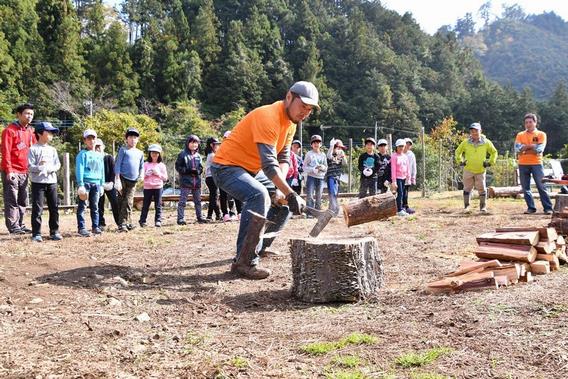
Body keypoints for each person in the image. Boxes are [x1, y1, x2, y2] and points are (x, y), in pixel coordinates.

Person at [210, 81, 316, 279]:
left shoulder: (291, 124)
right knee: (258, 195)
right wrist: (289, 192)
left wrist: (283, 191)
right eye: (303, 106)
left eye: (309, 110)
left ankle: (259, 248)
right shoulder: (268, 116)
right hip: (225, 167)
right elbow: (268, 164)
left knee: (283, 203)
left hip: (250, 169)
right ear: (289, 97)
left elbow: (283, 158)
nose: (305, 113)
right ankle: (244, 262)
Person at [1, 103, 37, 234]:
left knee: (23, 199)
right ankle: (13, 226)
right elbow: (6, 152)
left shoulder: (30, 131)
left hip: (25, 171)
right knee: (12, 199)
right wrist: (9, 170)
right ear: (19, 114)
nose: (29, 116)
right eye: (27, 113)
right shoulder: (9, 131)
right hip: (12, 171)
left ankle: (21, 224)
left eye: (31, 114)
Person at [28, 122, 61, 242]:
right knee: (37, 208)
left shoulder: (52, 149)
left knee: (54, 207)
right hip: (38, 182)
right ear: (40, 133)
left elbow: (58, 164)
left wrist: (50, 168)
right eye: (49, 132)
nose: (52, 134)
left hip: (52, 181)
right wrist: (39, 167)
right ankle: (36, 233)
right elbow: (30, 166)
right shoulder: (33, 149)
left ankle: (55, 231)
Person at [515, 113, 553, 214]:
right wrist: (531, 146)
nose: (528, 124)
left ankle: (548, 208)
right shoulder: (520, 135)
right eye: (526, 122)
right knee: (526, 188)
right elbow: (517, 150)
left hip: (537, 163)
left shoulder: (541, 134)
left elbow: (539, 150)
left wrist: (525, 148)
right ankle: (531, 208)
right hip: (522, 164)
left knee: (541, 186)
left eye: (530, 122)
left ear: (535, 123)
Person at [455, 123, 498, 214]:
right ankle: (466, 207)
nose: (474, 133)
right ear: (470, 132)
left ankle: (483, 207)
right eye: (472, 131)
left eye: (476, 131)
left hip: (480, 170)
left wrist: (490, 162)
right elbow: (458, 151)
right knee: (467, 188)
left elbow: (494, 152)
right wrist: (460, 161)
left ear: (480, 131)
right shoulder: (465, 142)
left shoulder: (486, 142)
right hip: (468, 169)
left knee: (482, 188)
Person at [114, 128, 144, 232]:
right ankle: (122, 224)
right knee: (122, 201)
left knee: (129, 201)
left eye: (135, 137)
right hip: (122, 178)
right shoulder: (123, 150)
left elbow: (141, 166)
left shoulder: (140, 153)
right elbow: (117, 164)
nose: (132, 139)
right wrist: (117, 178)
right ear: (126, 139)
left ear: (138, 139)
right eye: (130, 137)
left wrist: (141, 175)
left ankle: (127, 223)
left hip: (133, 181)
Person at [76, 129, 104, 237]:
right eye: (88, 138)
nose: (91, 141)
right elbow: (80, 169)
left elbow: (102, 171)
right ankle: (81, 227)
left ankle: (95, 226)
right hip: (86, 183)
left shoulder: (99, 155)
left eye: (93, 138)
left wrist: (102, 184)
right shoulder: (82, 154)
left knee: (95, 206)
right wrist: (80, 184)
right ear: (85, 140)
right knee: (82, 206)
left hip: (96, 184)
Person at [176, 134, 207, 224]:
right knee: (182, 201)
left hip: (196, 182)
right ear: (188, 143)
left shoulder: (198, 156)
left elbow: (201, 168)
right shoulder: (182, 154)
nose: (194, 145)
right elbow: (178, 167)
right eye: (192, 142)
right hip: (186, 181)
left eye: (196, 143)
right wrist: (188, 170)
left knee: (198, 201)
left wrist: (198, 171)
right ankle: (180, 219)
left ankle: (200, 217)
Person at [139, 144, 168, 227]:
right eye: (152, 152)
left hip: (158, 187)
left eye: (156, 153)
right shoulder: (145, 164)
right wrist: (146, 174)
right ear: (150, 153)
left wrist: (158, 173)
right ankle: (142, 221)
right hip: (147, 187)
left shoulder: (161, 165)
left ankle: (158, 220)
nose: (154, 154)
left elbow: (165, 178)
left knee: (158, 205)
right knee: (145, 205)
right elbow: (141, 177)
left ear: (159, 154)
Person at [95, 139, 120, 230]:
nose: (97, 148)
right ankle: (101, 224)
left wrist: (112, 182)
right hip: (98, 184)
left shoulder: (109, 157)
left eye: (99, 146)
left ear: (103, 146)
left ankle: (119, 222)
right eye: (96, 146)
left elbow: (113, 171)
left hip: (109, 184)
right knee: (99, 204)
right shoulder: (93, 158)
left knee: (115, 203)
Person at [219, 130, 242, 222]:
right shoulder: (220, 149)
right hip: (222, 174)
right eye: (226, 138)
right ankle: (225, 214)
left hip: (234, 174)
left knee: (237, 194)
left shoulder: (237, 149)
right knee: (223, 195)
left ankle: (240, 213)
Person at [325, 138, 347, 214]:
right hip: (330, 176)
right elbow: (328, 156)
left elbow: (345, 164)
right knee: (332, 193)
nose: (339, 149)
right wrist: (331, 147)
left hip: (337, 177)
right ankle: (333, 209)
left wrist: (343, 156)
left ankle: (333, 209)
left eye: (340, 148)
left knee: (336, 193)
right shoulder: (330, 153)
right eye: (338, 147)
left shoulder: (341, 155)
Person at [391, 139, 410, 216]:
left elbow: (407, 167)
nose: (401, 148)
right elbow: (393, 169)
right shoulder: (394, 156)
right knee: (400, 194)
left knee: (403, 194)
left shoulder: (405, 156)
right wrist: (394, 181)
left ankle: (400, 208)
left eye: (402, 146)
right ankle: (399, 209)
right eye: (399, 146)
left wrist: (408, 177)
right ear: (396, 147)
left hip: (404, 178)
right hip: (397, 178)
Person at [204, 137, 222, 221]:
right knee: (214, 197)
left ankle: (209, 215)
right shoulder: (212, 155)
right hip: (212, 177)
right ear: (212, 145)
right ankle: (218, 215)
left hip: (209, 178)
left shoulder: (210, 154)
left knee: (212, 196)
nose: (218, 146)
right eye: (217, 144)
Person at [403, 138, 417, 214]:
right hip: (400, 176)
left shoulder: (411, 154)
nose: (407, 146)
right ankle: (401, 207)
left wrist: (413, 176)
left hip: (408, 177)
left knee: (406, 192)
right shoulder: (399, 153)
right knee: (401, 192)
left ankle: (406, 206)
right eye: (406, 144)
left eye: (409, 144)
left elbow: (414, 166)